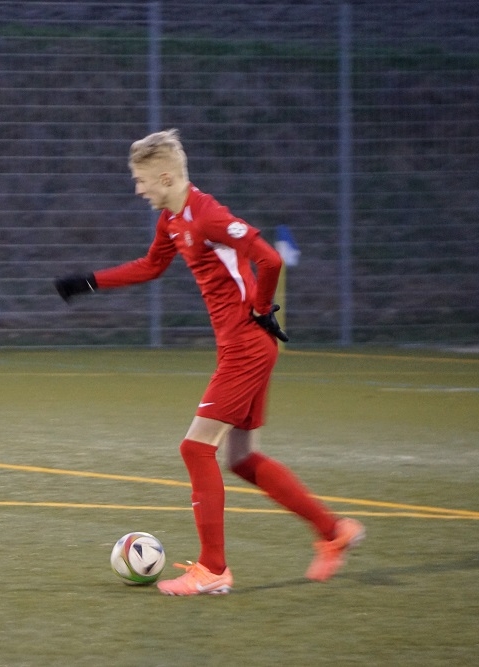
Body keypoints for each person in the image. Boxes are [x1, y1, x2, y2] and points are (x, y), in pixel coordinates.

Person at [54, 129, 364, 596]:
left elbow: (269, 259)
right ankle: (333, 531)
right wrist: (89, 282)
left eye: (141, 180)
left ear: (165, 177)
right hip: (243, 345)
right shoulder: (172, 220)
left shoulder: (207, 215)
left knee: (195, 449)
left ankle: (213, 570)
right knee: (242, 458)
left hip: (245, 345)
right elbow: (151, 266)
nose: (138, 190)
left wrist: (261, 308)